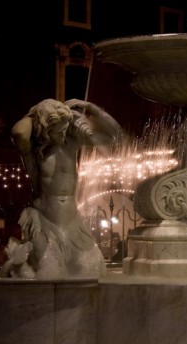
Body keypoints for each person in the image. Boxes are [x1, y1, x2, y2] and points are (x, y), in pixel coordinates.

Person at [8, 98, 123, 279]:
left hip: (72, 222)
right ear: (45, 129)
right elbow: (20, 133)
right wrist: (36, 114)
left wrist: (91, 108)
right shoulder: (34, 151)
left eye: (64, 128)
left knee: (95, 272)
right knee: (50, 275)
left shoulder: (70, 143)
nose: (63, 133)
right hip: (44, 221)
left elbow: (114, 136)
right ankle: (18, 266)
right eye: (58, 130)